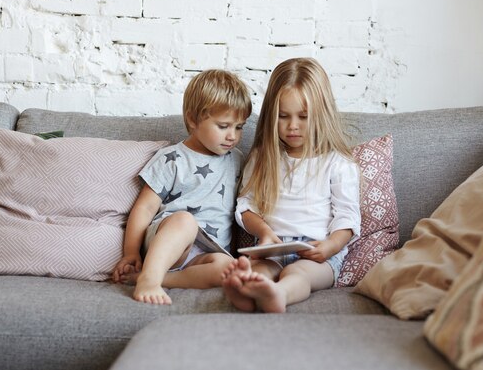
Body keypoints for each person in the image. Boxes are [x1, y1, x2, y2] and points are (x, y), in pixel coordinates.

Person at [222, 57, 360, 313]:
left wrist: (331, 246)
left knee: (299, 273)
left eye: (303, 117)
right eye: (283, 116)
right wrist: (264, 233)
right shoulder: (263, 157)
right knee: (257, 271)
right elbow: (246, 206)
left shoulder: (338, 163)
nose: (292, 126)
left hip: (318, 254)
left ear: (322, 114)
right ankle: (246, 293)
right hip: (273, 249)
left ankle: (279, 294)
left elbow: (348, 217)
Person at [113, 69, 252, 305]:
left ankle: (159, 279)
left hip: (207, 253)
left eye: (239, 127)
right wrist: (131, 252)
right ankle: (150, 278)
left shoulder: (237, 160)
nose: (232, 136)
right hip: (168, 242)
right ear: (193, 120)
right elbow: (144, 209)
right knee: (186, 221)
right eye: (223, 126)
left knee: (229, 268)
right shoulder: (172, 158)